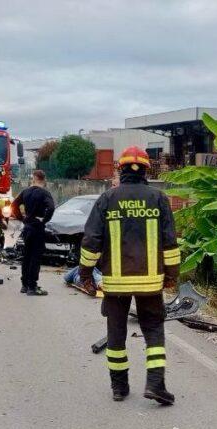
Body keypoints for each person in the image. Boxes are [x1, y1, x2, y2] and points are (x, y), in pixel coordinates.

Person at [79, 146, 180, 404]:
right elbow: (170, 242)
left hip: (115, 283)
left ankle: (119, 387)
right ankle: (155, 384)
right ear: (146, 170)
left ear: (120, 169)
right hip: (150, 282)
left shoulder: (107, 199)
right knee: (153, 330)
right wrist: (171, 275)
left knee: (116, 333)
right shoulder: (159, 198)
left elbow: (91, 241)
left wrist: (85, 274)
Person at [11, 169, 55, 295]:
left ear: (33, 179)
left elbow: (14, 205)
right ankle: (32, 286)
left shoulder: (25, 192)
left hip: (27, 228)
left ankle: (24, 285)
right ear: (44, 180)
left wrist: (22, 218)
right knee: (35, 257)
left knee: (27, 256)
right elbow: (51, 207)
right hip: (37, 228)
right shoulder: (45, 193)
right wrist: (44, 220)